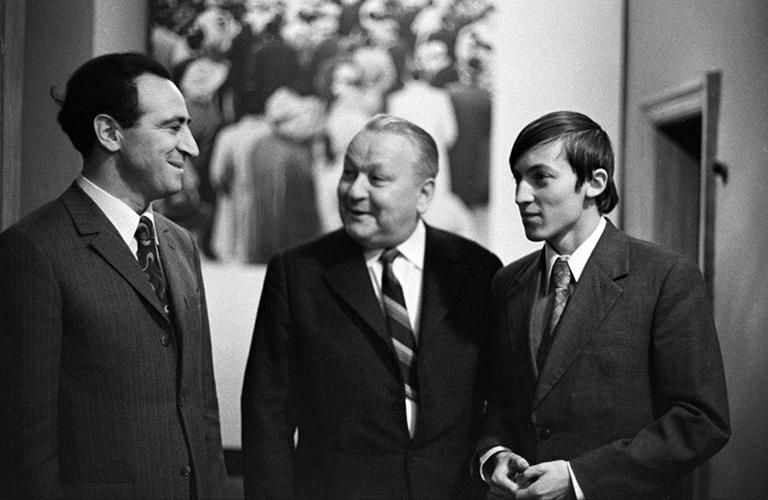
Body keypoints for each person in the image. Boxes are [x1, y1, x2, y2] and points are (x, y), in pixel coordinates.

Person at [0, 53, 228, 499]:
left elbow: (203, 410)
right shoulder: (33, 251)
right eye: (171, 127)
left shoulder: (181, 244)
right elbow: (25, 447)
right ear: (109, 132)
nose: (192, 146)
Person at [241, 114, 502, 499]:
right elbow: (267, 416)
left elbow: (500, 396)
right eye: (349, 174)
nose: (354, 191)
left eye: (376, 179)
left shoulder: (477, 271)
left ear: (425, 194)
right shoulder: (298, 273)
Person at [477, 111, 730, 499]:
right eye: (518, 179)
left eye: (540, 178)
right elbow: (499, 402)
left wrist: (579, 478)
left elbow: (701, 420)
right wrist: (494, 454)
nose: (521, 196)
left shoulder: (665, 276)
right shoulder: (508, 282)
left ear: (594, 183)